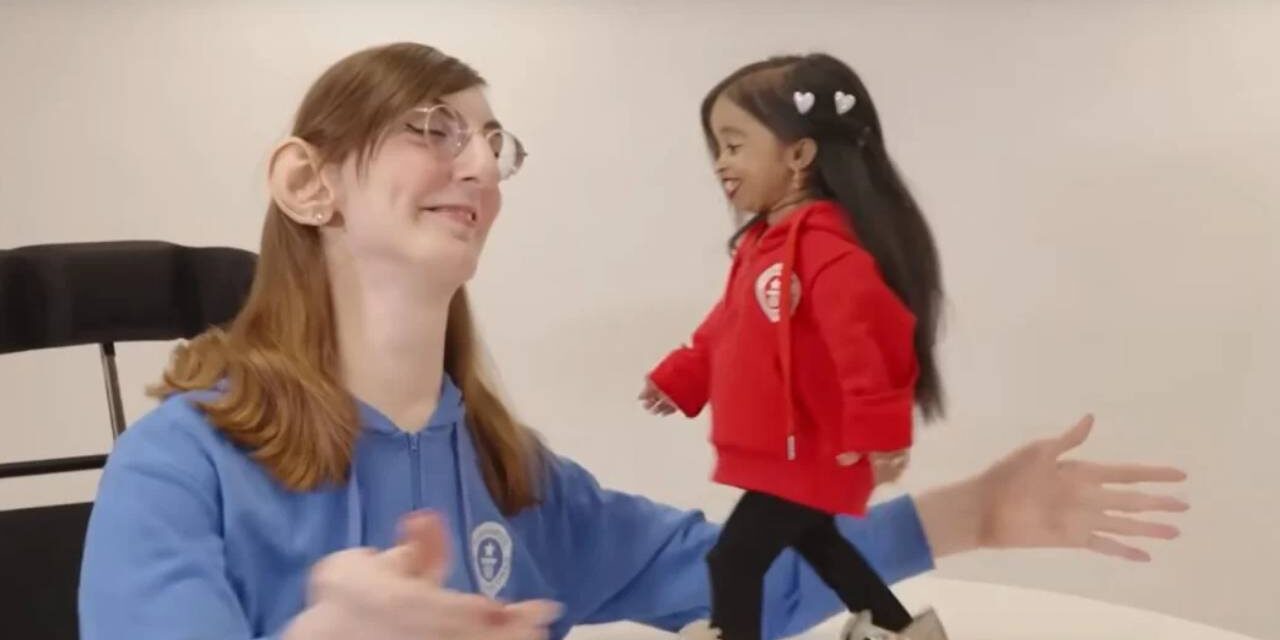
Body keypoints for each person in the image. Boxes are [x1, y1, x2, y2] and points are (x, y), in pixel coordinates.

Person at [77, 42, 1189, 640]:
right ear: (305, 180)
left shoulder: (515, 477)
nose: (475, 164)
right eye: (431, 130)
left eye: (491, 142)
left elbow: (720, 572)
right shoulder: (176, 467)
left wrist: (968, 514)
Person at [642, 52, 945, 639]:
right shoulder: (765, 248)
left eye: (734, 145)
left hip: (813, 452)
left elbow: (873, 347)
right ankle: (899, 631)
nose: (721, 164)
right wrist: (681, 376)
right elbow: (726, 328)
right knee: (821, 545)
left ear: (800, 155)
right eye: (718, 148)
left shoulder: (829, 256)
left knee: (733, 560)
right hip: (789, 451)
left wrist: (881, 435)